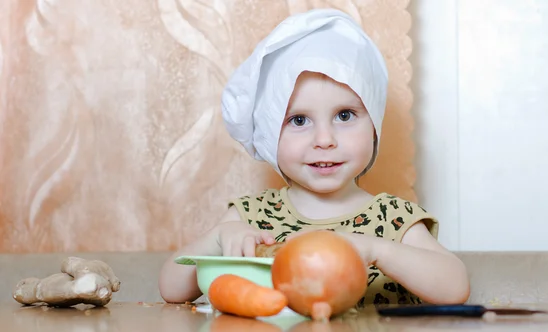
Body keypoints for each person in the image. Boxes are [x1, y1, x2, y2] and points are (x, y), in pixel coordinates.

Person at [159, 8, 470, 307]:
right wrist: (218, 237)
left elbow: (456, 287)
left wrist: (378, 250)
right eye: (298, 120)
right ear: (269, 136)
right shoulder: (253, 219)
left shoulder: (391, 219)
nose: (324, 140)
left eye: (344, 115)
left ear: (374, 126)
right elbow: (171, 289)